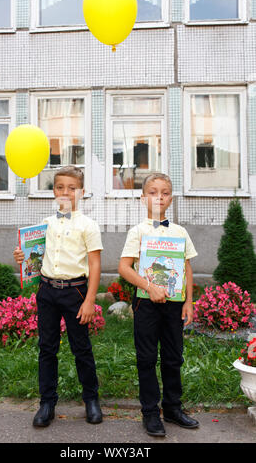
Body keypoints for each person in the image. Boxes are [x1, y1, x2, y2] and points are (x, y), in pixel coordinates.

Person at [13, 166, 103, 428]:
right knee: (47, 348)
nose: (66, 192)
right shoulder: (45, 224)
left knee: (81, 348)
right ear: (54, 191)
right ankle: (47, 403)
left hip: (76, 292)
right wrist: (21, 257)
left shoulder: (88, 225)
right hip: (47, 291)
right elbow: (34, 257)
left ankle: (91, 399)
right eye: (60, 187)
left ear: (82, 192)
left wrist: (89, 301)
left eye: (72, 188)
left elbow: (95, 264)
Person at [118, 172, 199, 437]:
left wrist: (188, 301)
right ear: (143, 199)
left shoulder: (180, 232)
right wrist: (148, 286)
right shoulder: (138, 231)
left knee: (174, 358)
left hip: (174, 306)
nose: (159, 197)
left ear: (171, 199)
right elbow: (124, 268)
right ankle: (150, 413)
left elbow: (187, 267)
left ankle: (173, 408)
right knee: (147, 358)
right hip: (146, 304)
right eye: (153, 192)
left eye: (164, 193)